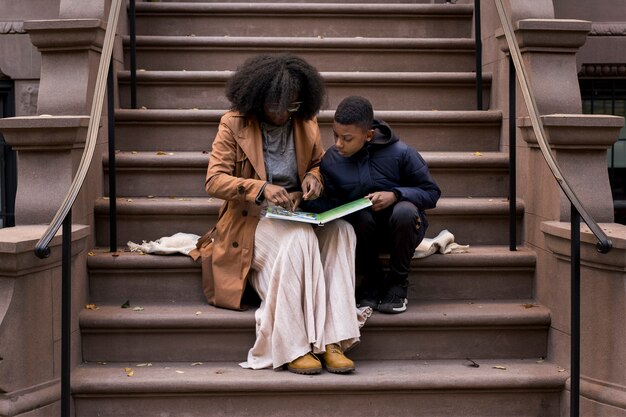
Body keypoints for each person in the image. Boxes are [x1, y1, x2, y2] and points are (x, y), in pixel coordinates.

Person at [195, 55, 369, 375]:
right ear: (259, 98)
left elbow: (318, 162)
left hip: (296, 212)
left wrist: (314, 178)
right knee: (300, 237)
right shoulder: (233, 123)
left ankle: (333, 339)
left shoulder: (304, 119)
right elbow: (214, 180)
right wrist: (260, 188)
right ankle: (294, 345)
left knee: (344, 231)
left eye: (292, 106)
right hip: (253, 219)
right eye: (277, 106)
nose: (284, 114)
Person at [313, 95, 441, 314]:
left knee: (405, 211)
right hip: (364, 234)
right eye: (335, 135)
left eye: (347, 138)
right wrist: (307, 202)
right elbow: (333, 204)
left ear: (369, 135)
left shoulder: (402, 153)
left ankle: (397, 284)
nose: (338, 144)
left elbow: (431, 193)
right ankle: (372, 281)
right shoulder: (331, 161)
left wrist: (395, 194)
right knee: (358, 216)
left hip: (403, 231)